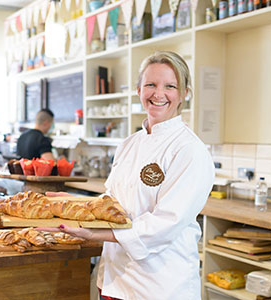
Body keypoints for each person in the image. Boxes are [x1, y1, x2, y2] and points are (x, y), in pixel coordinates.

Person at [40, 51, 215, 300]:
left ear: (185, 93)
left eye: (170, 86)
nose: (158, 94)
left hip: (159, 285)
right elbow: (113, 203)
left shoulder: (189, 150)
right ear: (138, 90)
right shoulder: (129, 144)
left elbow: (165, 223)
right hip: (114, 279)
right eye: (151, 85)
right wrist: (77, 203)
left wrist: (94, 235)